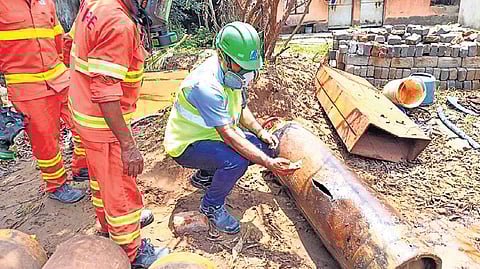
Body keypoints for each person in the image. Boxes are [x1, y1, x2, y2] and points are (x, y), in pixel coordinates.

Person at [163, 22, 300, 234]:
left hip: (210, 137)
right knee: (236, 161)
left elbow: (241, 109)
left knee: (261, 146)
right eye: (240, 66)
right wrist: (269, 163)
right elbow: (229, 136)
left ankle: (205, 176)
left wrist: (261, 132)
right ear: (222, 55)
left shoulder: (232, 75)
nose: (246, 73)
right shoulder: (205, 86)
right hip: (186, 145)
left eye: (249, 67)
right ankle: (210, 206)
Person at [68, 0, 169, 267]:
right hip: (103, 125)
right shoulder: (118, 24)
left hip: (83, 110)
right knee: (121, 191)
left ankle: (107, 225)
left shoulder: (98, 3)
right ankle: (132, 252)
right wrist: (128, 144)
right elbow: (106, 93)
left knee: (102, 182)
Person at [0, 0, 89, 203]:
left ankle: (82, 167)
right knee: (45, 141)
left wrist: (66, 65)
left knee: (84, 122)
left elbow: (57, 37)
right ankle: (56, 185)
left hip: (59, 77)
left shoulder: (45, 2)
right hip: (27, 86)